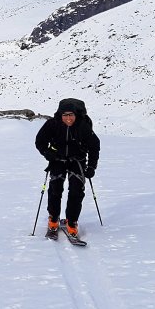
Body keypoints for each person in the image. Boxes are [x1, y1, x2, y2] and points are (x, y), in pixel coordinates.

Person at [35, 98, 100, 237]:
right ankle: (53, 219)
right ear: (60, 115)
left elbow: (95, 146)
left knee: (76, 191)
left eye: (71, 115)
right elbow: (40, 141)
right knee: (55, 189)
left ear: (76, 115)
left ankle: (72, 222)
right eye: (65, 115)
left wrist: (92, 167)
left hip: (78, 161)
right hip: (57, 160)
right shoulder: (52, 124)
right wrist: (47, 153)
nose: (68, 118)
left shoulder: (83, 126)